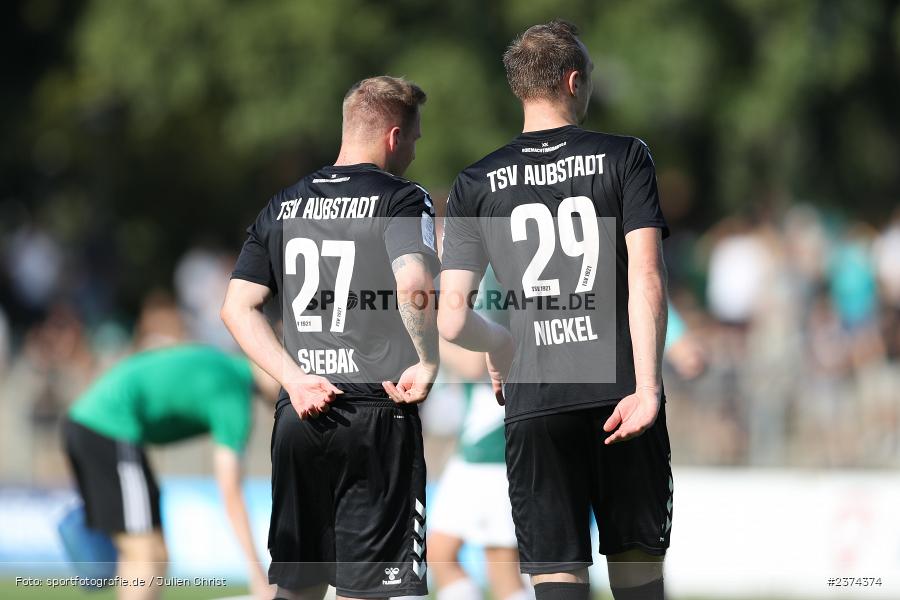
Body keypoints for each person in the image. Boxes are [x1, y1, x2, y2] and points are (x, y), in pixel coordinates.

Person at [438, 20, 671, 600]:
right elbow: (645, 274)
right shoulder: (626, 157)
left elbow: (450, 319)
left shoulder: (475, 182)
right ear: (573, 81)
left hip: (534, 398)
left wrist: (498, 346)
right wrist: (648, 388)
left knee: (557, 577)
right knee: (638, 575)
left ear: (520, 89)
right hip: (620, 394)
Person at [220, 76, 440, 600]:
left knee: (299, 587)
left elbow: (236, 308)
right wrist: (429, 360)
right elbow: (413, 283)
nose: (413, 149)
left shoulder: (282, 205)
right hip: (375, 411)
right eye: (414, 138)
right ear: (393, 135)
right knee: (377, 591)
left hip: (301, 413)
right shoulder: (403, 198)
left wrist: (294, 380)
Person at [63, 344, 279, 600]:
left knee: (149, 553)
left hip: (96, 424)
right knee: (147, 553)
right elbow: (231, 491)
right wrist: (257, 573)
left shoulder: (223, 368)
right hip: (108, 427)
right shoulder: (233, 390)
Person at [428, 269, 531, 600]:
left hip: (496, 443)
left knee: (502, 568)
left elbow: (478, 363)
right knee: (440, 552)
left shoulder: (497, 274)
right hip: (478, 443)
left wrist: (426, 330)